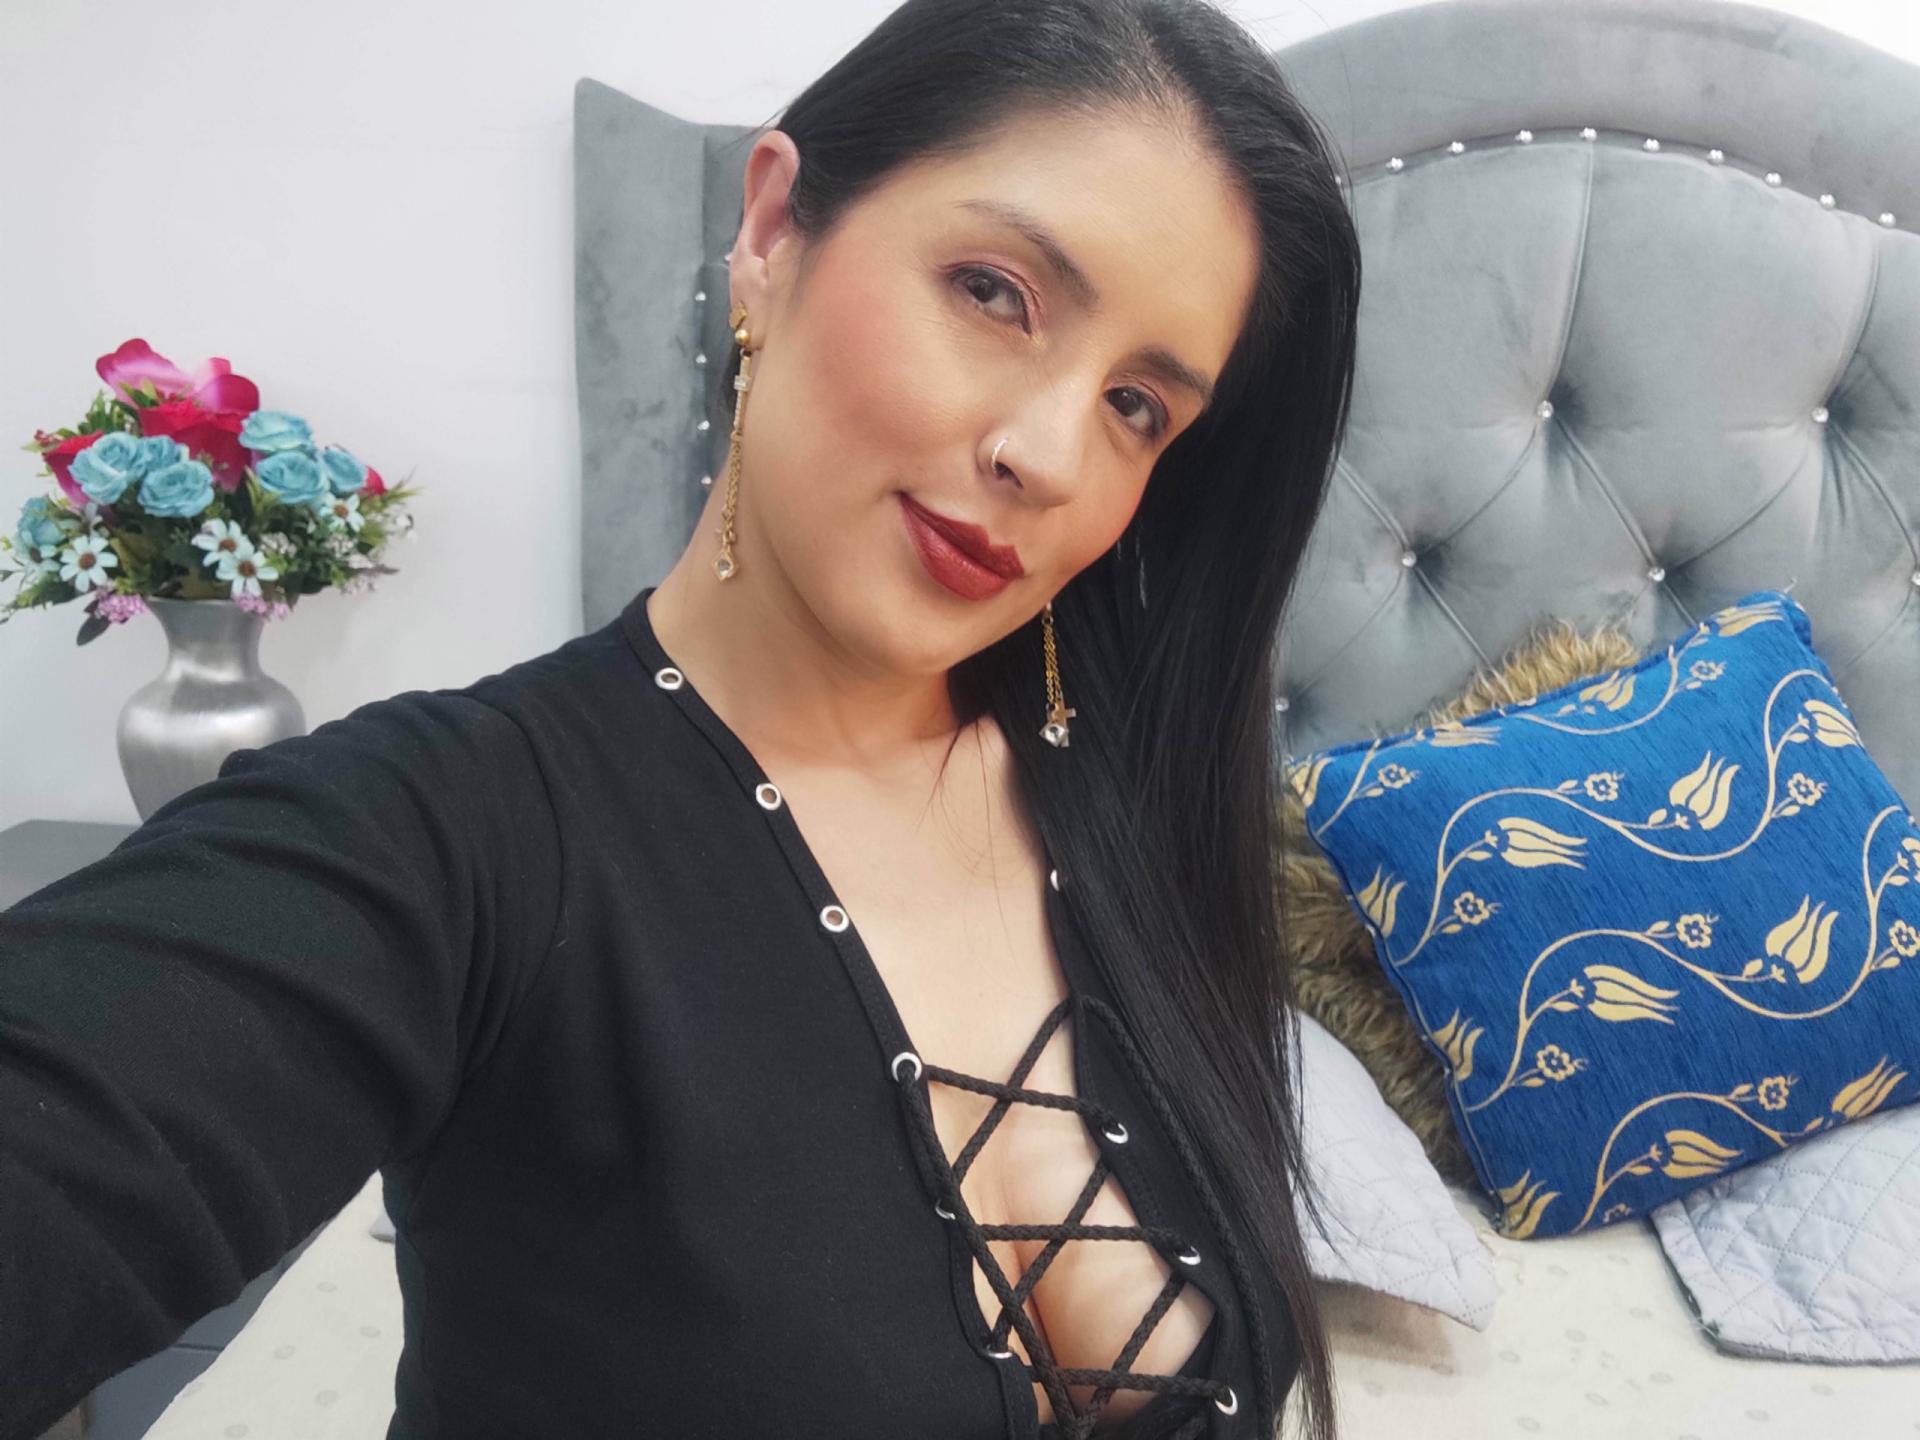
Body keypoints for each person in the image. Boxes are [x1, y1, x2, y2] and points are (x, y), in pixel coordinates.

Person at [0, 1, 1359, 1436]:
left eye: (1138, 406)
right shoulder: (459, 839)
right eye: (994, 293)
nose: (1050, 457)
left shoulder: (1134, 793)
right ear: (771, 232)